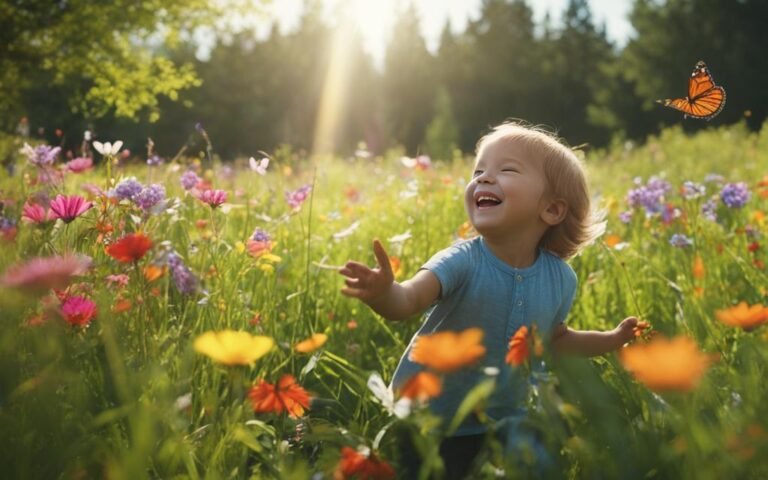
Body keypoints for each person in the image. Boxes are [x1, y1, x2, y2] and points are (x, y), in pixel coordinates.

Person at [339, 121, 641, 479]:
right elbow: (408, 301)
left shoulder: (561, 278)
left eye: (506, 169)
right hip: (429, 419)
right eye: (478, 170)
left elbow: (556, 341)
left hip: (506, 420)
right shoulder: (461, 260)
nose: (483, 178)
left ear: (553, 210)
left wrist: (612, 339)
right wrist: (384, 293)